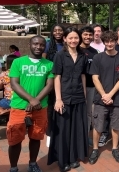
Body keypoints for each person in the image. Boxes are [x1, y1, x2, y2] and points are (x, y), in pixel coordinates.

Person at [7, 36, 54, 172]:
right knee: (15, 139)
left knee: (36, 137)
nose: (38, 47)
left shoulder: (49, 64)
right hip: (19, 106)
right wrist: (30, 99)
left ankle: (33, 163)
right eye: (35, 44)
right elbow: (14, 83)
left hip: (40, 107)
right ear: (30, 44)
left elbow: (49, 85)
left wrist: (35, 101)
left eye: (41, 45)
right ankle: (13, 167)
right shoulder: (18, 62)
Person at [47, 27, 89, 172]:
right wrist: (58, 99)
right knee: (63, 130)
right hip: (64, 96)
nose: (73, 40)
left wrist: (83, 95)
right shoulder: (60, 55)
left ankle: (73, 157)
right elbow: (57, 77)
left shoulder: (83, 55)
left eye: (75, 38)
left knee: (76, 129)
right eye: (70, 38)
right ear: (64, 39)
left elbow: (83, 76)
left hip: (78, 96)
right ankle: (62, 160)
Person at [89, 30, 119, 164]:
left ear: (116, 41)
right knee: (98, 126)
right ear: (104, 42)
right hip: (100, 99)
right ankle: (95, 149)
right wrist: (104, 95)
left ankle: (115, 148)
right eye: (107, 41)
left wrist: (110, 95)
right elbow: (95, 78)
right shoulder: (98, 58)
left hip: (117, 99)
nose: (110, 43)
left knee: (116, 125)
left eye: (112, 41)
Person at [42, 24, 65, 146]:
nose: (57, 32)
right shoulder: (48, 44)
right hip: (51, 78)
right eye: (55, 30)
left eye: (60, 30)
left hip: (64, 80)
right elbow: (43, 61)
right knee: (51, 108)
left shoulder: (66, 43)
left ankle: (62, 133)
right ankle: (50, 134)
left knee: (62, 106)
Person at [79, 26, 98, 138]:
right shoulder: (76, 50)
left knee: (88, 113)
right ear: (81, 35)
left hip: (91, 87)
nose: (88, 37)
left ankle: (84, 137)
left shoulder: (94, 52)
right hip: (77, 87)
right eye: (85, 34)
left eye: (90, 35)